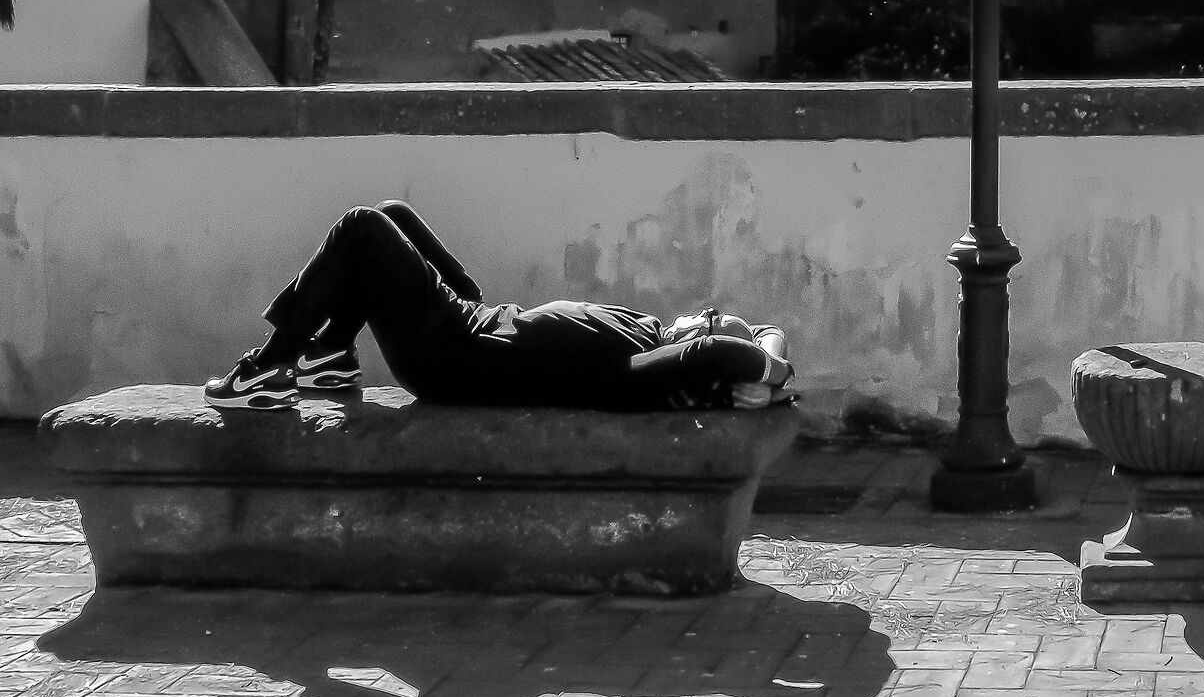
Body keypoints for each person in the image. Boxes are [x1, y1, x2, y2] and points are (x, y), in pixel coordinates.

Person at [204, 200, 797, 413]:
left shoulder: (641, 370)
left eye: (713, 316)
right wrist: (766, 353)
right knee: (395, 214)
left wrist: (772, 376)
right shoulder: (645, 330)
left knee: (363, 229)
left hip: (449, 352)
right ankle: (332, 354)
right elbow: (763, 331)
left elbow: (719, 352)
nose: (704, 313)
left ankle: (273, 364)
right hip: (477, 319)